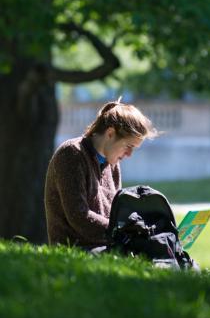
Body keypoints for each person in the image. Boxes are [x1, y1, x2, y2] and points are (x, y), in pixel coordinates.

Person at [44, 99, 158, 248]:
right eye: (129, 146)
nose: (129, 154)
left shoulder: (112, 164)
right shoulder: (71, 154)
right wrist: (123, 234)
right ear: (110, 133)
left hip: (105, 247)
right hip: (76, 250)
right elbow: (79, 217)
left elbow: (115, 214)